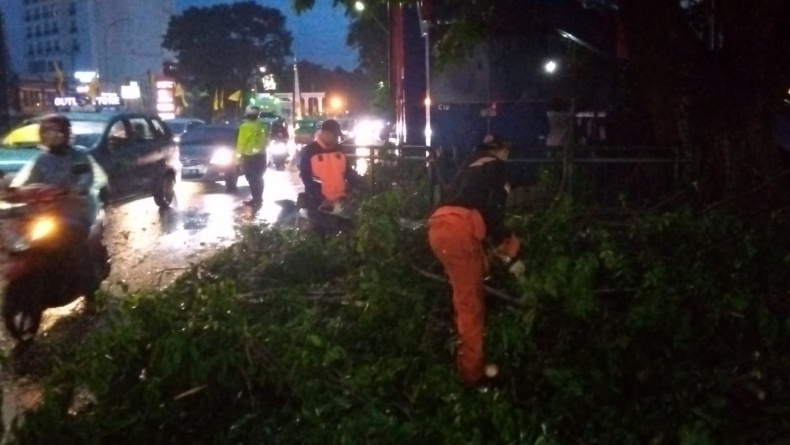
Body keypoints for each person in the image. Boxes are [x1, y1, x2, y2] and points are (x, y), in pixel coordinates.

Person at [427, 134, 526, 386]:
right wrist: (510, 258)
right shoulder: (498, 168)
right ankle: (472, 375)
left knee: (469, 281)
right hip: (460, 231)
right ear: (503, 151)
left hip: (439, 227)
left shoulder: (470, 165)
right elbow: (494, 216)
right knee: (471, 306)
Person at [10, 113, 110, 288]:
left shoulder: (78, 155)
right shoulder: (41, 159)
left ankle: (91, 287)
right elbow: (24, 180)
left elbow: (85, 176)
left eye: (56, 132)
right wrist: (13, 191)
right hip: (46, 213)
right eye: (47, 132)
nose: (52, 136)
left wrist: (78, 188)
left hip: (75, 212)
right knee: (23, 241)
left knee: (76, 246)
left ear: (65, 134)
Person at [298, 119, 362, 214]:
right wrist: (321, 199)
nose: (336, 138)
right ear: (325, 133)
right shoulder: (309, 151)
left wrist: (357, 186)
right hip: (318, 205)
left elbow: (348, 172)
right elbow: (307, 178)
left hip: (340, 202)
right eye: (334, 135)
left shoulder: (339, 150)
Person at [236, 105, 268, 208]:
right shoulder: (263, 125)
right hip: (262, 156)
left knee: (252, 179)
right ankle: (259, 198)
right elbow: (267, 139)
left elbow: (241, 143)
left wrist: (237, 157)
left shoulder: (245, 127)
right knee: (259, 178)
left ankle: (256, 199)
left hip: (250, 157)